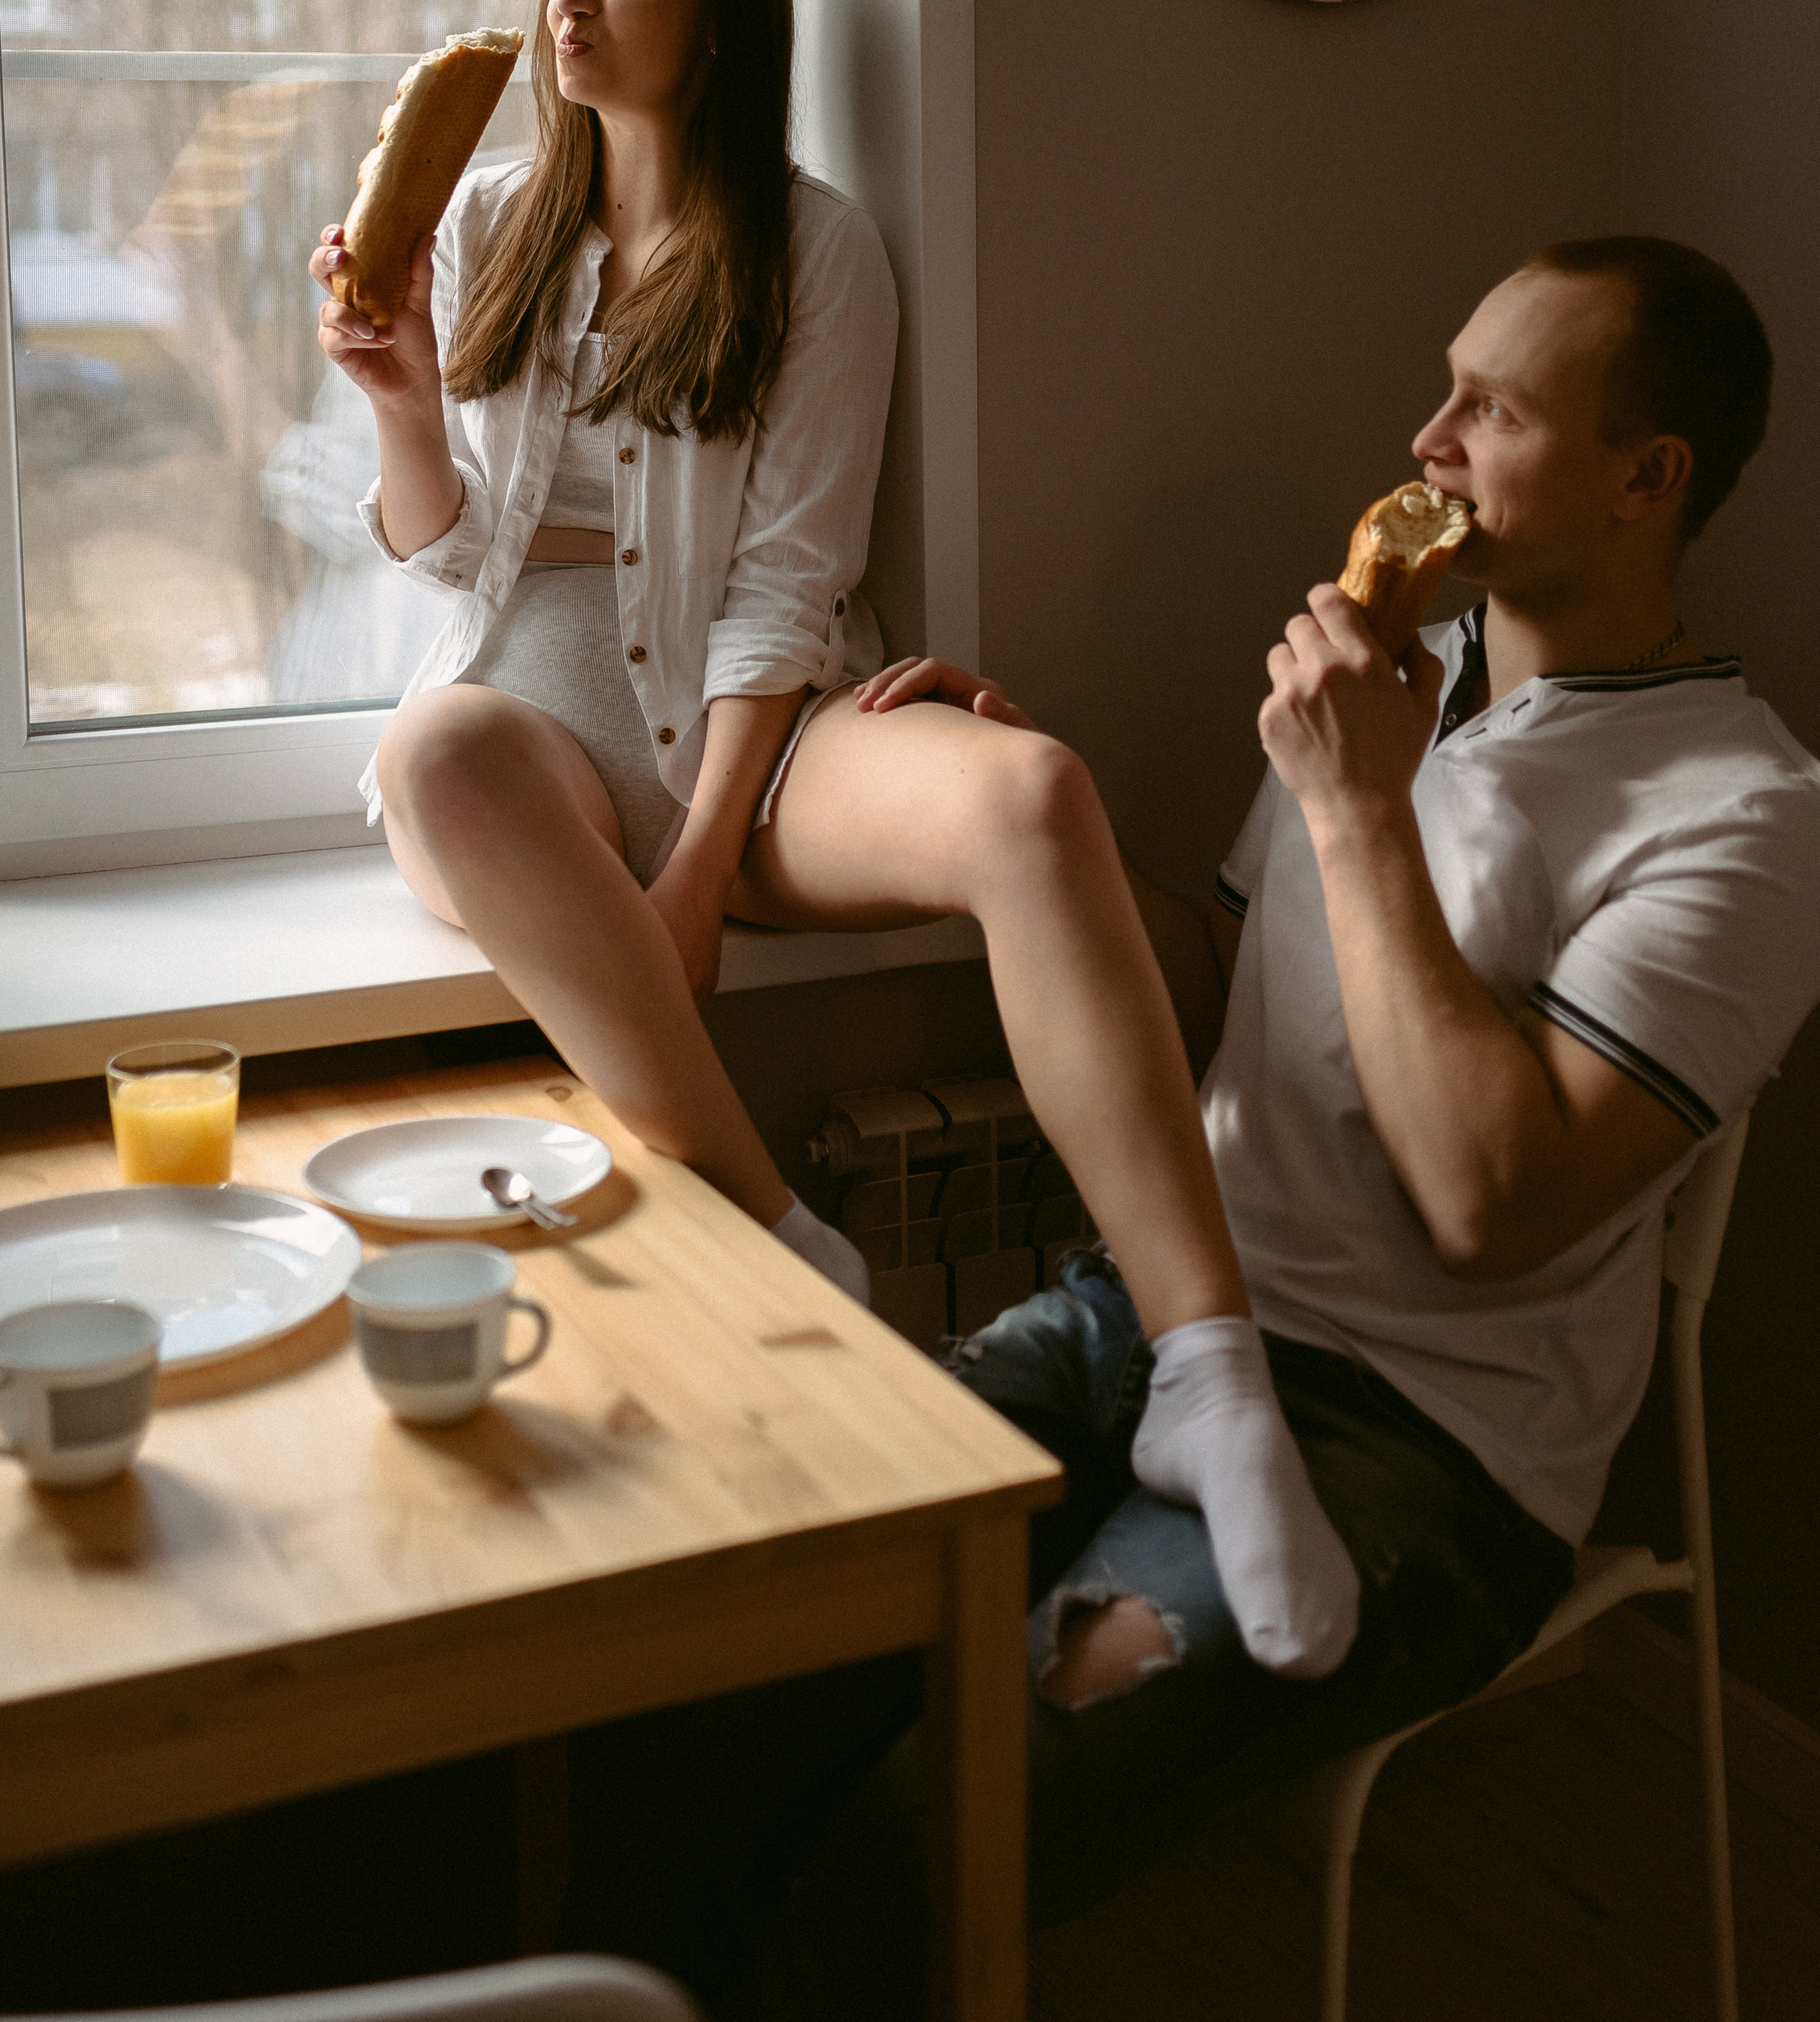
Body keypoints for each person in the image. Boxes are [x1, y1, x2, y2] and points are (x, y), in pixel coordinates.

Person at [686, 233, 1820, 2019]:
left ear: (1643, 479)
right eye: (1442, 386)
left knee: (961, 1806)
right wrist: (1032, 828)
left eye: (1491, 410)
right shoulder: (1392, 681)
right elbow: (1223, 978)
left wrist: (1358, 810)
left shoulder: (1739, 813)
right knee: (729, 1658)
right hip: (1151, 1306)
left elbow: (1492, 1203)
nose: (1425, 438)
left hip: (1418, 1452)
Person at [310, 0, 1358, 1679]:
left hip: (755, 738)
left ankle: (1211, 1365)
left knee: (1030, 788)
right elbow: (442, 558)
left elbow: (788, 591)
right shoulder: (483, 228)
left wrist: (706, 857)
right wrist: (403, 403)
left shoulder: (815, 249)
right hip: (523, 741)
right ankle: (783, 1229)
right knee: (439, 755)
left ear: (720, 11)